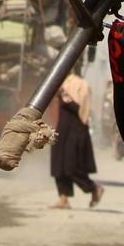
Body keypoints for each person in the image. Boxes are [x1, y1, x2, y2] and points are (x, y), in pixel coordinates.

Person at [49, 72, 102, 209]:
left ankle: (94, 188)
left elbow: (81, 110)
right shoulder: (61, 82)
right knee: (58, 165)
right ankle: (63, 199)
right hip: (62, 129)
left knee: (71, 167)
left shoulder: (82, 85)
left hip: (76, 130)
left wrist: (66, 95)